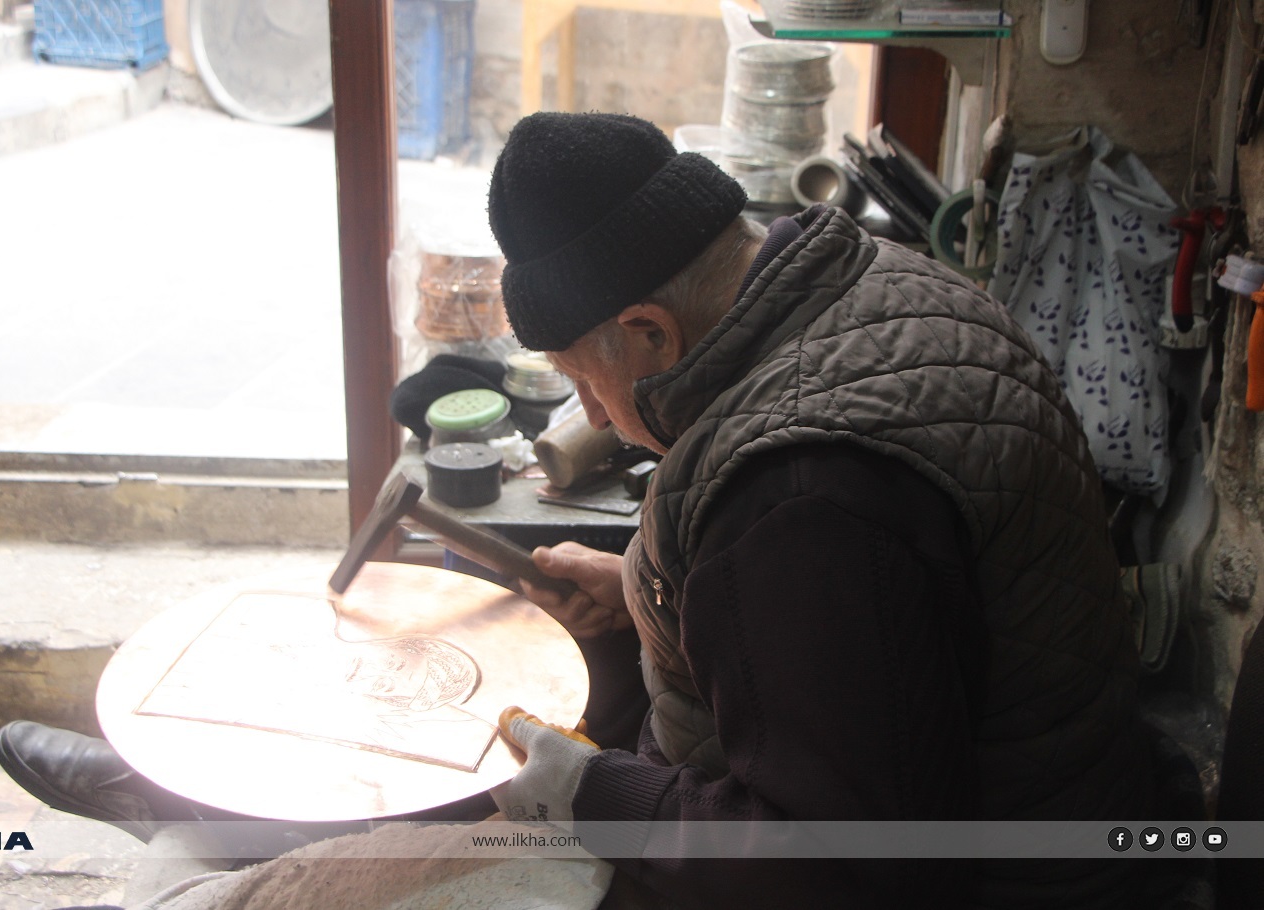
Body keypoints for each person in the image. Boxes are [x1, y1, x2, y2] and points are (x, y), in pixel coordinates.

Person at [483, 111, 1153, 909]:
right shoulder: (875, 278)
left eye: (584, 378)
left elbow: (837, 871)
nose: (591, 415)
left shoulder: (799, 495)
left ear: (650, 332)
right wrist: (643, 587)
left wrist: (594, 797)